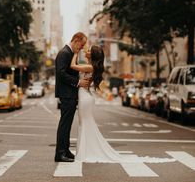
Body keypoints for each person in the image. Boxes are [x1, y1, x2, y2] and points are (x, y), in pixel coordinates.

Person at [70, 45, 176, 164]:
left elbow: (72, 66)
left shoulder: (90, 67)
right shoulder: (91, 66)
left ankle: (85, 151)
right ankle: (85, 150)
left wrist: (75, 52)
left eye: (89, 50)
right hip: (85, 97)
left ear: (93, 55)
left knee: (84, 123)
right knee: (84, 123)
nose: (86, 51)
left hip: (85, 98)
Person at [54, 32, 90, 163]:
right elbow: (61, 73)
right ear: (75, 40)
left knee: (67, 124)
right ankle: (60, 153)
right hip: (66, 94)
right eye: (80, 45)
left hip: (69, 94)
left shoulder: (69, 53)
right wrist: (78, 82)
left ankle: (66, 150)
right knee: (64, 124)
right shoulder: (64, 53)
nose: (80, 48)